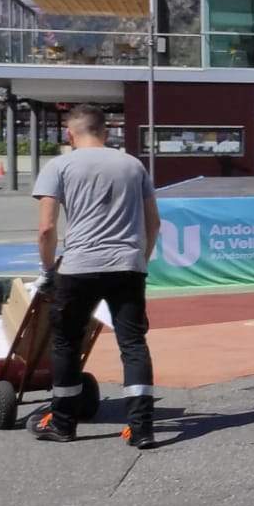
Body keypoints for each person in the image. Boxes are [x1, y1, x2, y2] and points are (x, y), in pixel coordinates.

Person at [31, 104, 160, 447]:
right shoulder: (133, 165)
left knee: (66, 343)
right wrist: (140, 260)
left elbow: (46, 229)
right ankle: (142, 427)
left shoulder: (59, 165)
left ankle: (62, 423)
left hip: (79, 268)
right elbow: (154, 223)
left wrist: (47, 271)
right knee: (133, 344)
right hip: (127, 265)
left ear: (70, 134)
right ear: (105, 132)